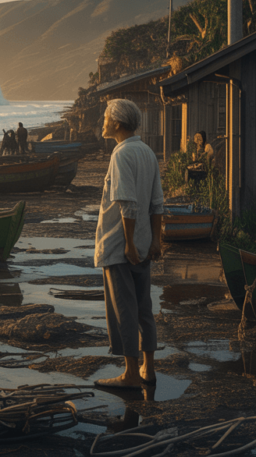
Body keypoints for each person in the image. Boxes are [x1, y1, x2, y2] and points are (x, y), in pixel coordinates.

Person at [93, 99, 164, 390]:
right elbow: (157, 202)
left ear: (118, 124)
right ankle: (148, 368)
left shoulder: (121, 154)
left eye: (106, 119)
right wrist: (155, 240)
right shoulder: (146, 151)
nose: (103, 123)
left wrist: (130, 244)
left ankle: (130, 374)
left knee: (124, 309)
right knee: (144, 307)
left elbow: (128, 204)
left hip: (121, 247)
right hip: (144, 244)